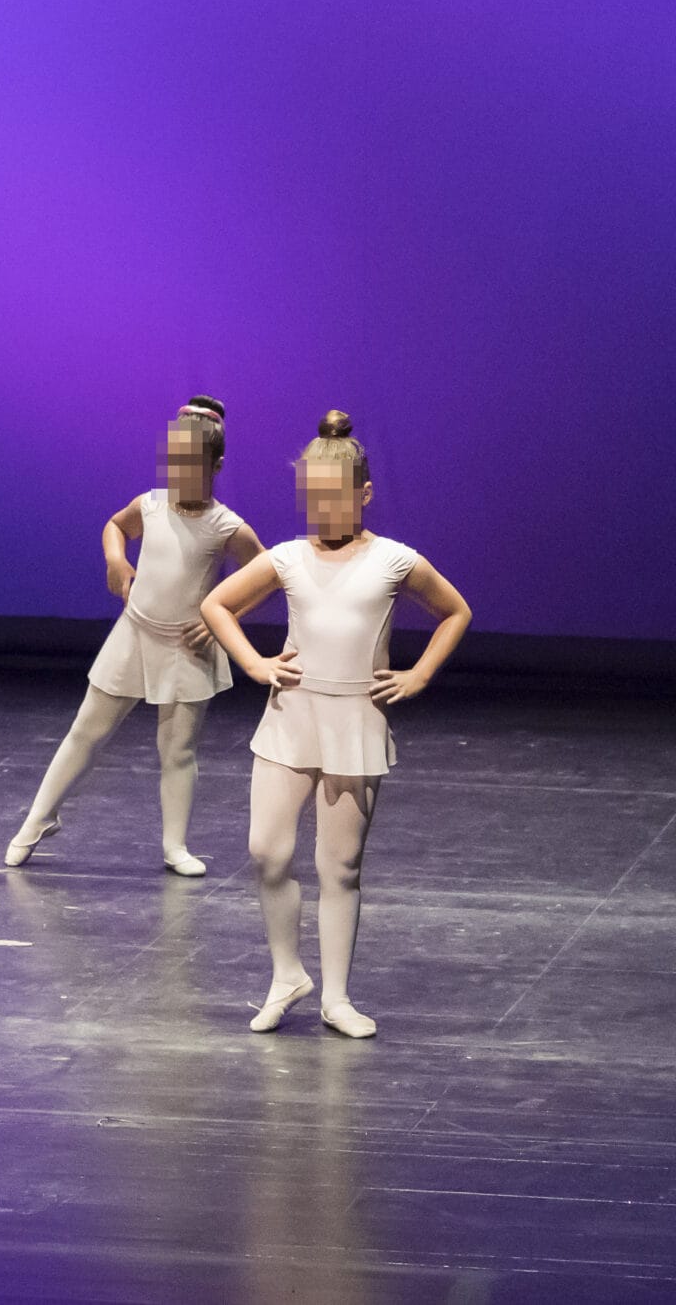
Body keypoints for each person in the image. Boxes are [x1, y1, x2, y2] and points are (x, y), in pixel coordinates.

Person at [201, 410, 472, 1038]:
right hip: (291, 716)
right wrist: (255, 664)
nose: (321, 511)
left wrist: (419, 675)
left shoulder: (395, 560)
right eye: (312, 499)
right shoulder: (289, 558)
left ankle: (338, 998)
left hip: (354, 720)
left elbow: (454, 611)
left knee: (339, 866)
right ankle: (286, 976)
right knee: (266, 850)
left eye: (334, 499)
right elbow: (217, 604)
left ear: (364, 494)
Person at [7, 397, 265, 875]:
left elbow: (265, 576)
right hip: (135, 634)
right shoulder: (150, 505)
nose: (180, 475)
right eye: (174, 463)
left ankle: (175, 846)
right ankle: (38, 819)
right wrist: (116, 559)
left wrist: (221, 620)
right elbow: (115, 526)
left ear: (216, 467)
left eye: (192, 467)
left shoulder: (226, 526)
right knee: (86, 731)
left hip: (187, 648)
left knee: (178, 750)